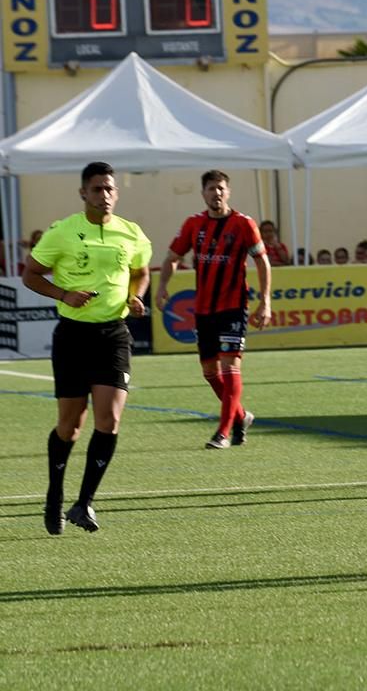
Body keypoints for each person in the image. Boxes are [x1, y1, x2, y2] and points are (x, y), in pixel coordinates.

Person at [22, 162, 152, 534]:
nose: (105, 195)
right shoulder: (62, 231)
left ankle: (84, 503)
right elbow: (30, 273)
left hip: (113, 334)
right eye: (97, 189)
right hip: (73, 337)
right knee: (70, 426)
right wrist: (64, 294)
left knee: (109, 420)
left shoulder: (131, 233)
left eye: (109, 189)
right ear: (83, 193)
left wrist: (134, 297)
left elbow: (141, 271)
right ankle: (54, 493)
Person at [156, 170, 271, 450]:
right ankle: (242, 417)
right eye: (211, 188)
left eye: (220, 188)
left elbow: (262, 261)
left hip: (233, 307)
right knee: (209, 372)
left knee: (230, 366)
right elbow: (172, 257)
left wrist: (265, 301)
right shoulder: (194, 224)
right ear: (203, 193)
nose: (216, 193)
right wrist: (162, 287)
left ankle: (223, 431)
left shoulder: (243, 224)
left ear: (228, 192)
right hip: (204, 309)